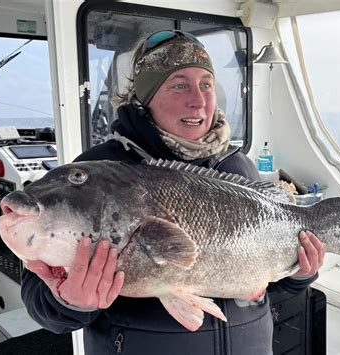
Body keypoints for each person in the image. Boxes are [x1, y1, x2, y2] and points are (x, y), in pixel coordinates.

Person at [21, 30, 324, 355]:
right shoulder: (97, 172)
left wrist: (299, 273)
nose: (199, 100)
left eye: (206, 84)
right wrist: (70, 302)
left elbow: (262, 286)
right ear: (145, 96)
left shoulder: (239, 169)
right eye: (179, 85)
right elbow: (42, 301)